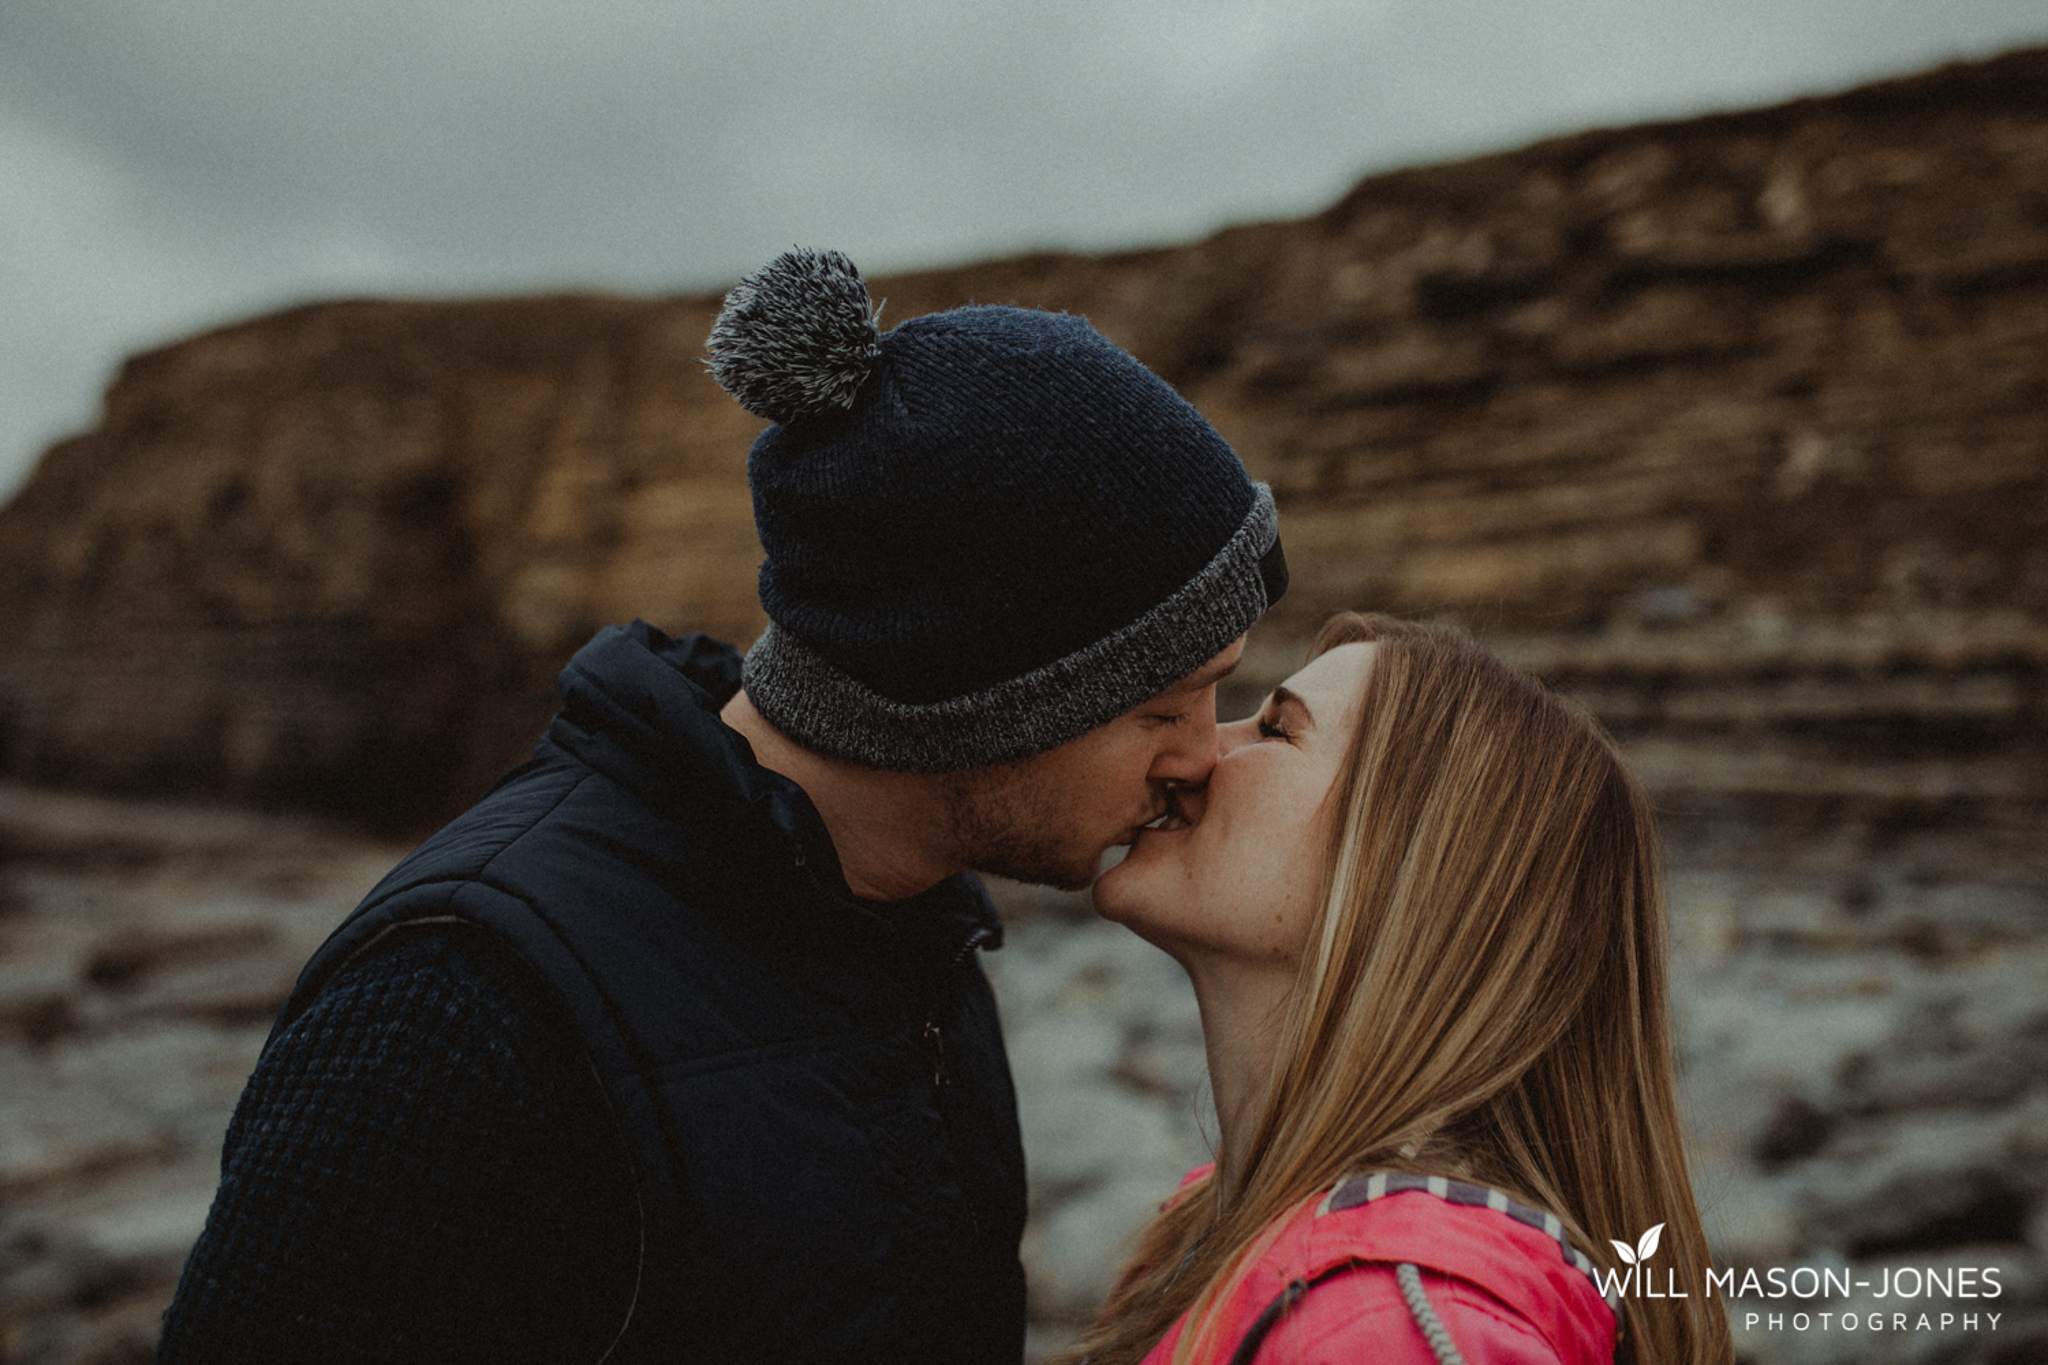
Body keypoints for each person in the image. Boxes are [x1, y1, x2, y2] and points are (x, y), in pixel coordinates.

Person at [156, 248, 1288, 1364]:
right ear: (977, 703)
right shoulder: (457, 1002)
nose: (1202, 756)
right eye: (1162, 708)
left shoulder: (915, 929)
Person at [1065, 613, 1735, 1365]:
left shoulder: (1389, 1329)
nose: (1200, 753)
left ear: (1413, 877)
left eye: (1279, 729)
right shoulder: (1205, 1237)